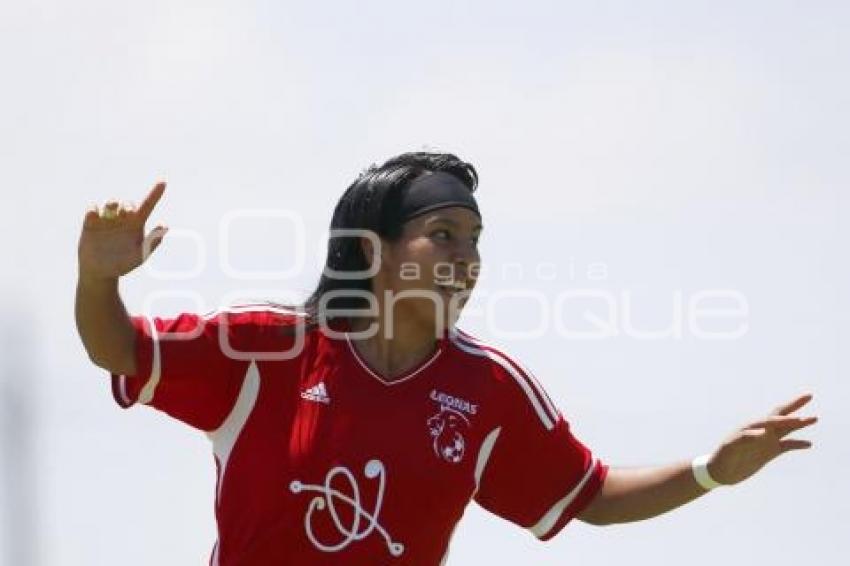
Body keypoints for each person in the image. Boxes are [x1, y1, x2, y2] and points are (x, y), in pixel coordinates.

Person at [75, 152, 817, 565]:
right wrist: (98, 277)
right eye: (444, 235)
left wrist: (712, 470)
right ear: (375, 248)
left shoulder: (488, 388)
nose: (468, 257)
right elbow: (119, 349)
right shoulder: (268, 347)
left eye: (476, 239)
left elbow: (588, 498)